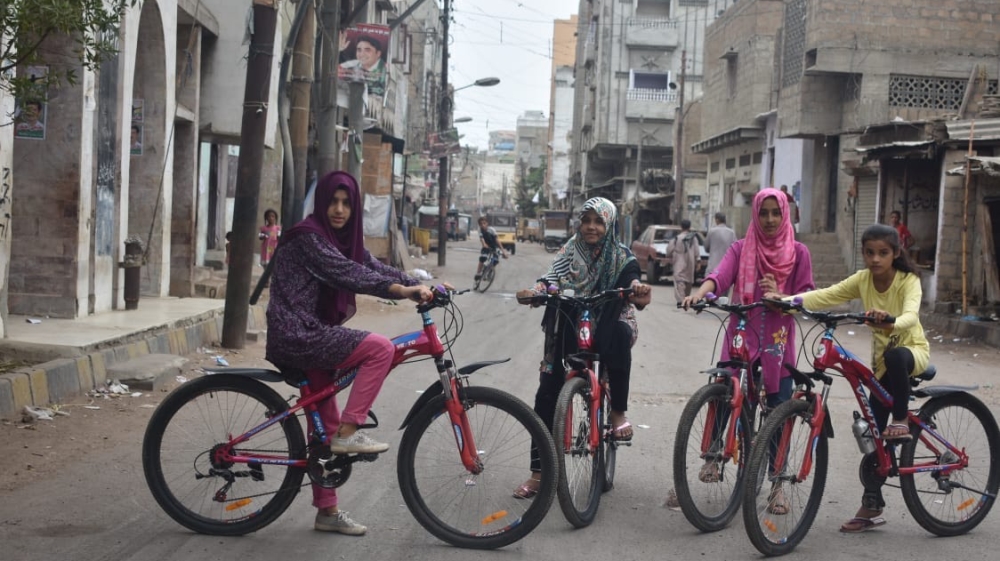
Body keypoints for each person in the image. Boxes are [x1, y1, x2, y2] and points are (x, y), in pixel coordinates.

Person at [265, 171, 436, 535]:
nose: (339, 209)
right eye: (333, 201)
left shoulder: (343, 240)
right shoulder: (309, 238)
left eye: (346, 203)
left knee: (324, 432)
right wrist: (400, 292)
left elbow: (370, 266)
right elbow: (350, 275)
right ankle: (350, 429)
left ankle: (327, 512)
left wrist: (422, 284)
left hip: (311, 333)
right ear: (321, 203)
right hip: (298, 334)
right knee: (380, 349)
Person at [664, 187, 815, 511]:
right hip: (742, 332)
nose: (771, 219)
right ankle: (714, 455)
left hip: (777, 342)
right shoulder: (740, 247)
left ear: (785, 214)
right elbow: (718, 278)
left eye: (777, 212)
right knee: (723, 387)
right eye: (764, 212)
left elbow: (807, 296)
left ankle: (777, 485)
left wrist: (783, 297)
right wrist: (699, 294)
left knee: (778, 407)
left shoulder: (799, 253)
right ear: (755, 215)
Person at [779, 223, 929, 534]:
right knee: (873, 440)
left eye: (883, 253)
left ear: (896, 254)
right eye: (870, 253)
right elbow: (825, 296)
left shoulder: (908, 281)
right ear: (863, 254)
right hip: (882, 369)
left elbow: (912, 315)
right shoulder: (863, 280)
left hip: (910, 353)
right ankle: (871, 506)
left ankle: (900, 417)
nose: (875, 259)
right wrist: (787, 301)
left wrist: (891, 321)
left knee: (894, 356)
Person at [513, 197, 652, 497]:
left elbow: (633, 281)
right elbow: (550, 278)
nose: (591, 227)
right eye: (586, 220)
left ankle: (617, 412)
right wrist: (536, 293)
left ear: (609, 224)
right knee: (547, 391)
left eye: (598, 221)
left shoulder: (621, 255)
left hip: (612, 318)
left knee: (616, 336)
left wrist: (638, 290)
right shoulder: (570, 249)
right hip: (573, 319)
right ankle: (539, 473)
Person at [669, 219, 700, 305]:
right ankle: (686, 299)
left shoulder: (676, 238)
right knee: (688, 282)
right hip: (690, 263)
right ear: (689, 227)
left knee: (679, 281)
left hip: (679, 263)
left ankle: (681, 300)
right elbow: (697, 252)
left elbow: (669, 251)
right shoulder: (693, 238)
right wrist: (698, 262)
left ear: (681, 227)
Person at [475, 216, 508, 282]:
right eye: (481, 224)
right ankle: (478, 273)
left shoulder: (492, 230)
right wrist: (484, 244)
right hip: (486, 246)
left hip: (494, 247)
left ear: (487, 223)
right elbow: (482, 239)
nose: (483, 225)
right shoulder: (480, 230)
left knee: (495, 260)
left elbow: (497, 240)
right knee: (483, 258)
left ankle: (489, 272)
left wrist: (503, 251)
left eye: (484, 223)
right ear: (479, 225)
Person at [705, 212, 737, 276]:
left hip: (713, 267)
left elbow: (706, 248)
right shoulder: (731, 232)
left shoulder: (712, 231)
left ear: (717, 220)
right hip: (726, 267)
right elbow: (735, 249)